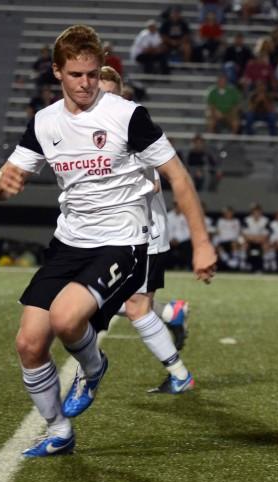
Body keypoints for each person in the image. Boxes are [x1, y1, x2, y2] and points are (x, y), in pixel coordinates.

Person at [0, 25, 215, 458]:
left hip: (121, 241)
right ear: (57, 72)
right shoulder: (44, 122)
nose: (86, 83)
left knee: (67, 319)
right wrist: (1, 184)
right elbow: (2, 180)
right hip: (69, 242)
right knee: (29, 342)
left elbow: (179, 176)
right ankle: (58, 431)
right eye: (76, 74)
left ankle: (93, 368)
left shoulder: (127, 115)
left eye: (92, 73)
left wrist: (201, 242)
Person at [99, 66, 195, 389]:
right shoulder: (92, 132)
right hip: (117, 233)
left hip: (146, 234)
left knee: (132, 306)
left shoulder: (131, 130)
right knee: (103, 300)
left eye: (110, 94)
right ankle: (170, 314)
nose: (103, 100)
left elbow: (153, 183)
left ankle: (180, 375)